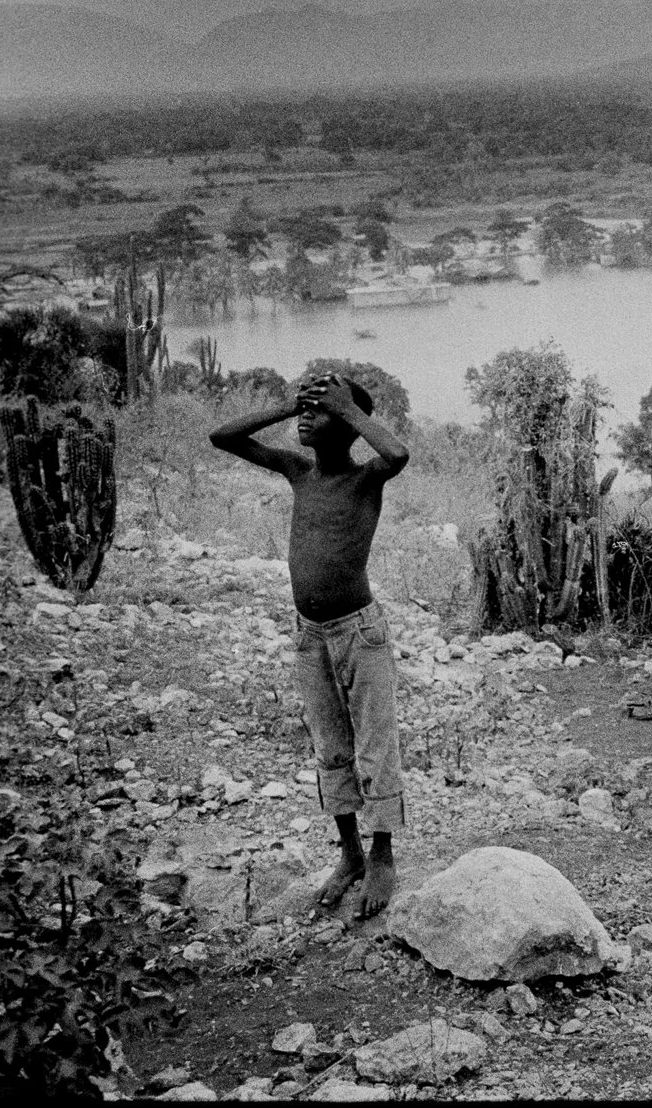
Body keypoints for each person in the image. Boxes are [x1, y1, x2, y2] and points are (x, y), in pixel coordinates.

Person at [210, 370, 410, 917]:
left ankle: (383, 854)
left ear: (345, 422)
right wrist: (288, 403)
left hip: (360, 634)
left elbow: (397, 453)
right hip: (310, 634)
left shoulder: (365, 478)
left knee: (375, 743)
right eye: (306, 408)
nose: (305, 418)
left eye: (318, 411)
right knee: (330, 744)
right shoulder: (297, 470)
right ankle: (349, 853)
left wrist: (348, 407)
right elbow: (222, 437)